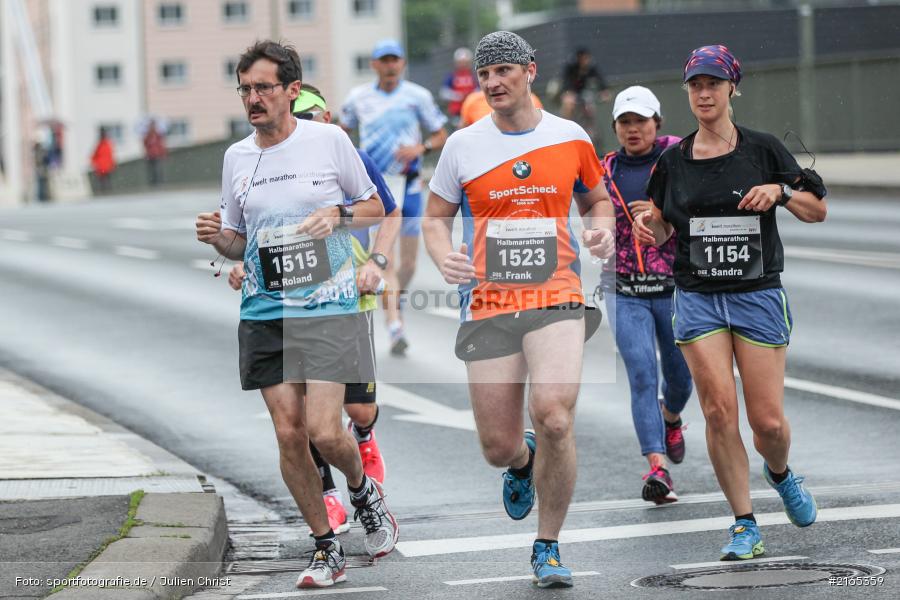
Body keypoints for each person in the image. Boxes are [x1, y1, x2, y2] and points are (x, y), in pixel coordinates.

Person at [195, 40, 397, 590]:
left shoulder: (329, 140)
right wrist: (221, 239)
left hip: (329, 307)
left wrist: (339, 214)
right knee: (289, 435)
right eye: (244, 88)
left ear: (290, 90)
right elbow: (241, 243)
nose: (252, 98)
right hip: (265, 310)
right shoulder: (237, 156)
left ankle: (362, 491)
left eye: (262, 87)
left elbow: (377, 205)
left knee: (325, 431)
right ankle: (325, 547)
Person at [423, 31, 614, 589]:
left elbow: (596, 198)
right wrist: (444, 258)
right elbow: (434, 217)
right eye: (485, 75)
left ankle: (548, 545)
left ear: (529, 71)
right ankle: (520, 463)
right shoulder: (463, 145)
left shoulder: (569, 136)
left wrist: (599, 232)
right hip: (489, 300)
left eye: (504, 71)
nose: (493, 82)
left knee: (554, 413)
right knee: (496, 446)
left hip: (556, 293)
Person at [635, 44, 827, 561]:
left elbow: (817, 210)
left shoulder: (763, 150)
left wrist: (781, 193)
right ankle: (744, 523)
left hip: (756, 295)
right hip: (697, 297)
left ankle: (781, 472)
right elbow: (659, 218)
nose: (703, 93)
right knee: (719, 411)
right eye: (695, 84)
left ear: (732, 88)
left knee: (767, 424)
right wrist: (648, 226)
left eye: (713, 83)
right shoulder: (672, 160)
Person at [227, 82, 401, 537]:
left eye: (315, 113)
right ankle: (327, 516)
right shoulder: (246, 158)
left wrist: (377, 262)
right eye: (245, 89)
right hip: (275, 311)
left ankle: (362, 451)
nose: (309, 121)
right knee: (295, 428)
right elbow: (246, 237)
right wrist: (240, 262)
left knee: (354, 415)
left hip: (342, 297)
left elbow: (387, 210)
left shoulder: (338, 148)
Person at [600, 86, 693, 505]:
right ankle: (657, 468)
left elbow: (701, 205)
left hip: (674, 286)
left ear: (657, 122)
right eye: (625, 122)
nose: (633, 129)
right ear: (616, 127)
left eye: (641, 121)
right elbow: (589, 213)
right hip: (623, 288)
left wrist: (662, 214)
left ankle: (671, 417)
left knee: (679, 378)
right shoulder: (604, 170)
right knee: (641, 374)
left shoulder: (678, 157)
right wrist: (594, 235)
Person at [341, 39, 448, 356]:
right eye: (383, 60)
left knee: (410, 263)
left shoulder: (418, 96)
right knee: (385, 256)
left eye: (395, 60)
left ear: (402, 63)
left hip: (410, 183)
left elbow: (440, 133)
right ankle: (395, 324)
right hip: (376, 187)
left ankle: (392, 300)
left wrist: (421, 149)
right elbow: (341, 131)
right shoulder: (358, 97)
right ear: (374, 64)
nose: (390, 66)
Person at [559, 48, 610, 140]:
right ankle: (565, 125)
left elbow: (599, 78)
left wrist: (604, 90)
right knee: (568, 103)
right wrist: (569, 92)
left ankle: (591, 130)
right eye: (584, 58)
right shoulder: (571, 65)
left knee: (589, 106)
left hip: (582, 91)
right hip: (569, 90)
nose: (586, 61)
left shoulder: (591, 66)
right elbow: (565, 80)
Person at [458, 88, 544, 128]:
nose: (494, 82)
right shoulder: (473, 100)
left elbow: (541, 131)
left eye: (503, 70)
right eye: (484, 73)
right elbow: (463, 131)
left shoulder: (531, 100)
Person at [439, 47, 478, 127]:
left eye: (465, 62)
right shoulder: (452, 76)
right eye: (461, 62)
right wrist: (459, 96)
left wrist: (470, 95)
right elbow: (444, 93)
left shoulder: (474, 76)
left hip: (473, 110)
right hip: (456, 112)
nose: (463, 65)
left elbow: (480, 91)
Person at [90, 127, 116, 193]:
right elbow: (111, 155)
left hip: (102, 167)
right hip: (105, 166)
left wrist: (93, 162)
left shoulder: (102, 144)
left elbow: (94, 155)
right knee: (106, 181)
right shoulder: (107, 144)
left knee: (103, 181)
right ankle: (108, 191)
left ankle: (105, 192)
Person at [143, 119, 167, 186]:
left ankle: (159, 182)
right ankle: (153, 183)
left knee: (158, 169)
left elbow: (161, 145)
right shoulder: (148, 135)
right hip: (150, 155)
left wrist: (163, 153)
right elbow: (145, 144)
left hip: (157, 155)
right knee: (152, 170)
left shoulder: (158, 135)